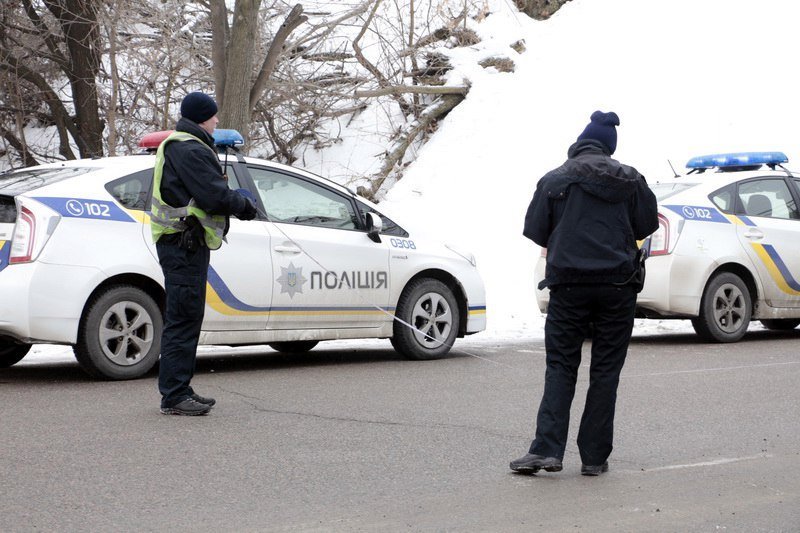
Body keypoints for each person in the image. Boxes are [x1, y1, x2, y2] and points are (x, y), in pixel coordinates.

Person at [510, 111, 658, 475]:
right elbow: (647, 224)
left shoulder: (555, 179)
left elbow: (536, 230)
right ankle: (594, 458)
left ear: (580, 144)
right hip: (618, 289)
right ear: (610, 148)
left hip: (569, 288)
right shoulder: (632, 180)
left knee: (561, 366)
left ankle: (546, 449)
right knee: (606, 371)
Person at [151, 91, 258, 415]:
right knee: (183, 319)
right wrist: (244, 205)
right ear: (202, 117)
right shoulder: (189, 148)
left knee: (185, 317)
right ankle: (174, 395)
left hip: (184, 244)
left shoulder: (182, 144)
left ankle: (179, 389)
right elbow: (213, 196)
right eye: (213, 116)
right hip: (182, 244)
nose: (216, 121)